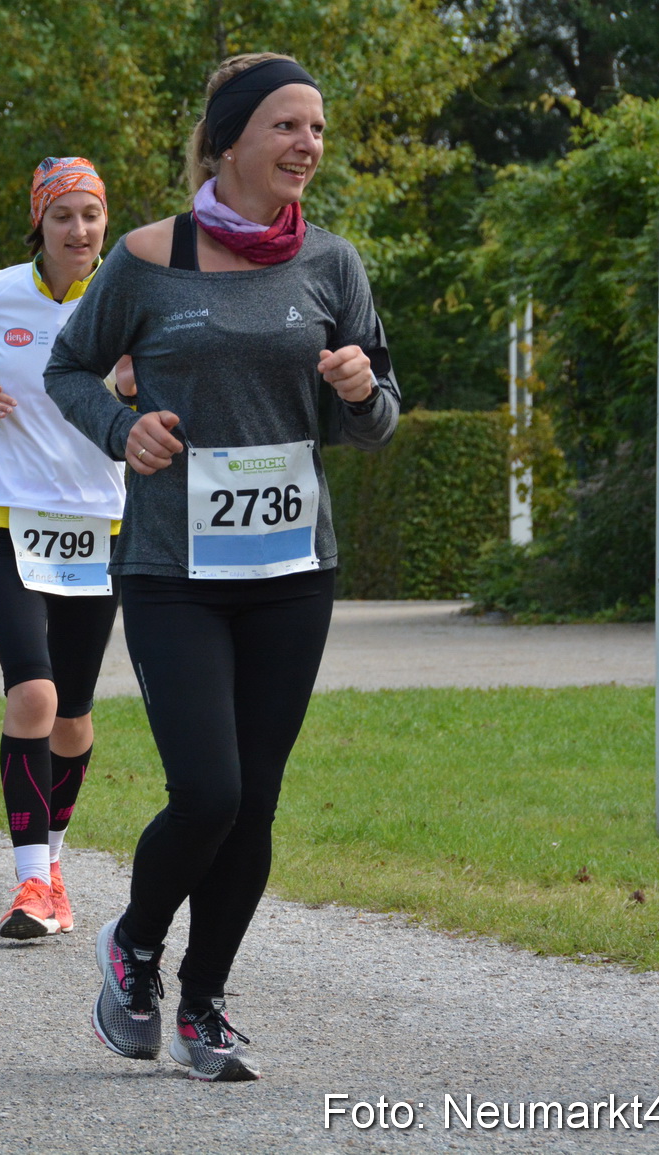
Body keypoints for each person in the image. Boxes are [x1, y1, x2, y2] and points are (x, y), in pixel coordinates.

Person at [45, 55, 400, 1081]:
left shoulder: (331, 266)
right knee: (207, 789)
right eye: (288, 126)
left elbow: (378, 421)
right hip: (173, 570)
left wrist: (356, 386)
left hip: (292, 569)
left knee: (256, 799)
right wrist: (121, 429)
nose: (307, 147)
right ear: (232, 137)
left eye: (319, 130)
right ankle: (135, 944)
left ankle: (202, 1003)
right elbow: (67, 367)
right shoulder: (149, 259)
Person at [0, 157, 131, 940]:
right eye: (63, 216)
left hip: (98, 530)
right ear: (39, 224)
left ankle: (54, 867)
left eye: (90, 214)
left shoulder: (129, 296)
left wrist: (141, 386)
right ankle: (27, 884)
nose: (79, 230)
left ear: (105, 221)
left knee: (74, 719)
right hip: (8, 521)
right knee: (35, 697)